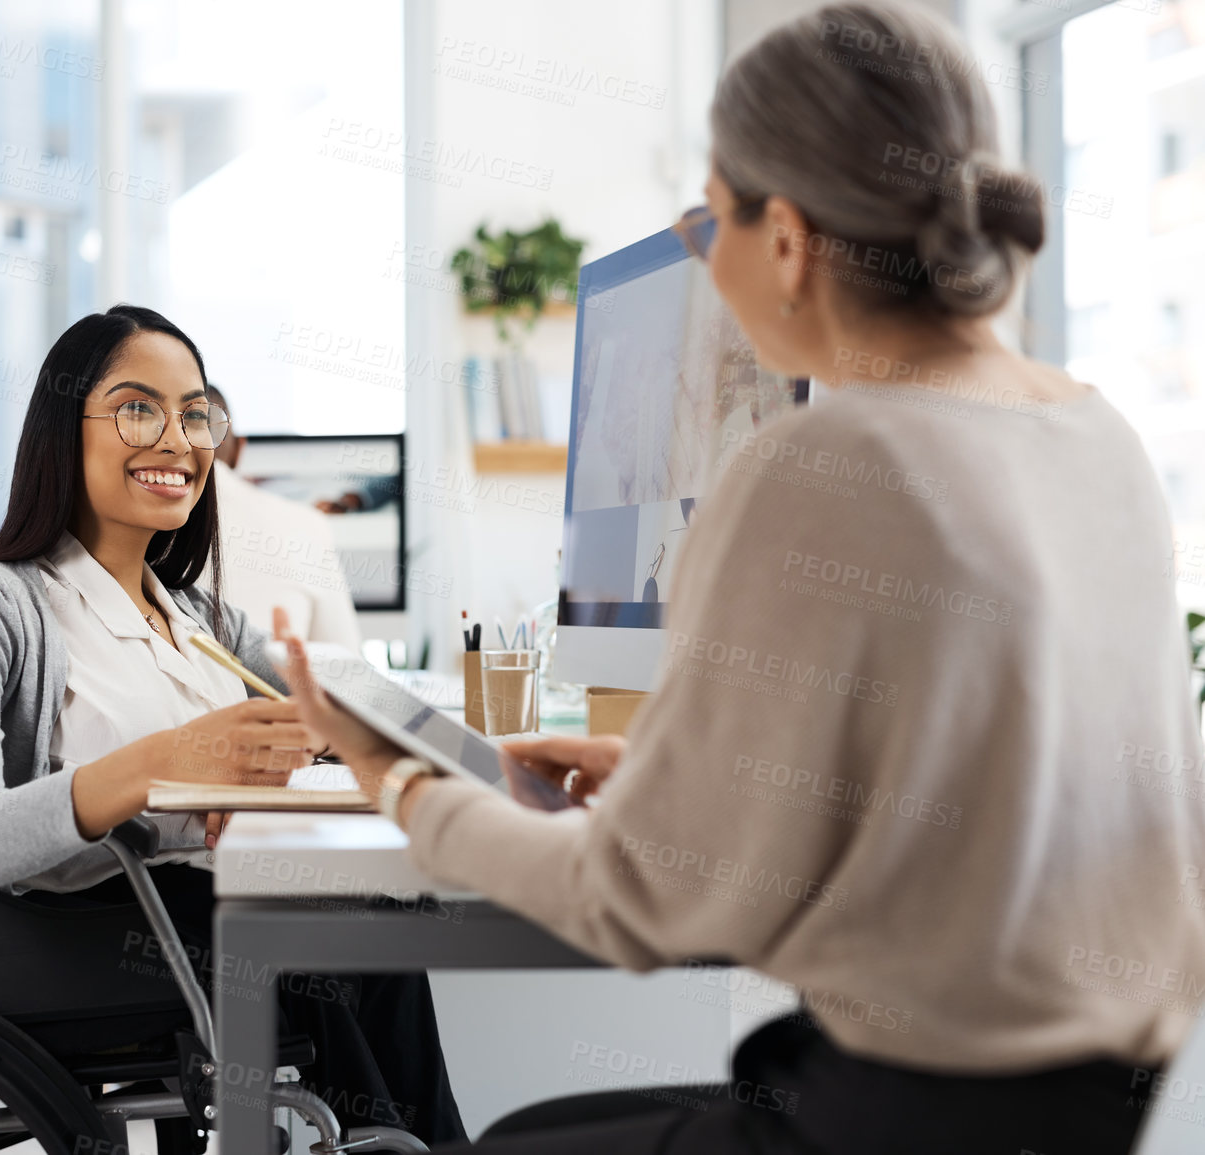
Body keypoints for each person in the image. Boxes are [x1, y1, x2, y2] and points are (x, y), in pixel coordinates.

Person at [273, 5, 1205, 1153]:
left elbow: (638, 908)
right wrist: (684, 776)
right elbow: (998, 800)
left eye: (712, 216)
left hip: (895, 1117)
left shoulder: (826, 458)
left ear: (788, 239)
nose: (702, 256)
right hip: (1100, 1113)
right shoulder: (1094, 433)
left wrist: (400, 784)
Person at [0, 304, 465, 1150]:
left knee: (381, 921)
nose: (178, 438)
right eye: (139, 408)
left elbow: (344, 718)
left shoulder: (200, 617)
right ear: (65, 428)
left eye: (196, 413)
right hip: (87, 938)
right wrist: (168, 763)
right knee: (337, 947)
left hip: (211, 914)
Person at [200, 383, 364, 650]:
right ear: (240, 449)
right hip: (282, 687)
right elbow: (345, 657)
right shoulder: (308, 524)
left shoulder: (142, 522)